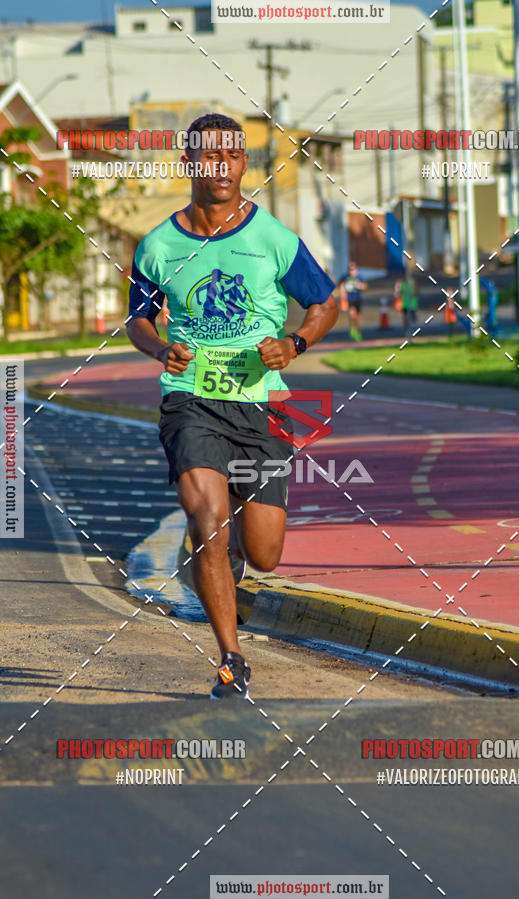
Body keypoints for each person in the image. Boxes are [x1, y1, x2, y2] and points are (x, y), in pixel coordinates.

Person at [126, 113, 338, 700]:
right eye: (208, 155)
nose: (220, 165)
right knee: (207, 522)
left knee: (265, 553)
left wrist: (294, 343)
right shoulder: (159, 246)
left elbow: (325, 303)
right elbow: (138, 321)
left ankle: (232, 561)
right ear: (189, 163)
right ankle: (230, 658)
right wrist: (161, 348)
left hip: (261, 406)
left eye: (232, 155)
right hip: (190, 400)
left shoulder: (273, 238)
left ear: (244, 164)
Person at [339, 261, 367, 341]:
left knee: (358, 316)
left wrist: (360, 286)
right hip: (349, 299)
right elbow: (341, 286)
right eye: (350, 270)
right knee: (351, 314)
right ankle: (352, 328)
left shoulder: (359, 277)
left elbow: (365, 286)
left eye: (353, 269)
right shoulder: (345, 277)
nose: (351, 271)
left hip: (358, 298)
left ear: (356, 269)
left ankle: (358, 331)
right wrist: (343, 295)